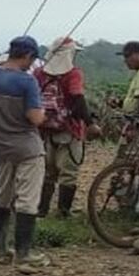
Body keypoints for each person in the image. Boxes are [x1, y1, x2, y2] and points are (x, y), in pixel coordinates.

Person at [0, 35, 48, 266]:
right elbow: (34, 118)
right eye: (32, 58)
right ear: (27, 55)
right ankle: (24, 253)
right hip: (27, 148)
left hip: (0, 146)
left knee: (2, 195)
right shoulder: (27, 82)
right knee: (27, 199)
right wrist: (44, 112)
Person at [35, 37, 93, 218]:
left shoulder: (39, 73)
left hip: (45, 129)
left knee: (47, 172)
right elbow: (77, 98)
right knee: (68, 173)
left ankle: (41, 209)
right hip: (69, 129)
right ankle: (63, 211)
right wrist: (90, 123)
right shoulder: (73, 74)